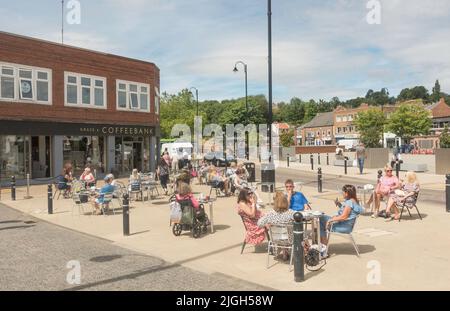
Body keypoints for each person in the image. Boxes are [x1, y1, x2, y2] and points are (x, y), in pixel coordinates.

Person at [319, 185, 364, 252]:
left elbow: (344, 216)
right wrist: (339, 204)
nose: (342, 193)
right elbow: (348, 212)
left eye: (343, 192)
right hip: (347, 225)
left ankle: (324, 248)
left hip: (343, 226)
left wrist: (330, 220)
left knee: (319, 219)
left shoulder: (349, 202)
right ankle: (323, 246)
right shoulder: (354, 201)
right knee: (320, 219)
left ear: (347, 193)